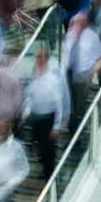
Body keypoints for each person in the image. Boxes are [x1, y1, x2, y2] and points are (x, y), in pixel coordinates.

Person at [22, 46, 69, 179]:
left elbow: (58, 103)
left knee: (49, 148)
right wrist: (27, 110)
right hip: (36, 118)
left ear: (47, 59)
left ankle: (50, 174)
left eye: (41, 57)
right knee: (39, 145)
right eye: (37, 57)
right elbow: (29, 96)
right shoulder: (34, 76)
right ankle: (44, 169)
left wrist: (56, 126)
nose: (39, 60)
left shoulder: (52, 79)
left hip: (49, 118)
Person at [63, 12, 101, 133]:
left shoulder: (92, 36)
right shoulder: (70, 34)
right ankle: (73, 126)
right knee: (70, 103)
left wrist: (93, 73)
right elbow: (66, 53)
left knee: (79, 105)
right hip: (69, 72)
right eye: (75, 22)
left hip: (83, 74)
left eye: (79, 22)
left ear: (85, 22)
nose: (76, 24)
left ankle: (78, 130)